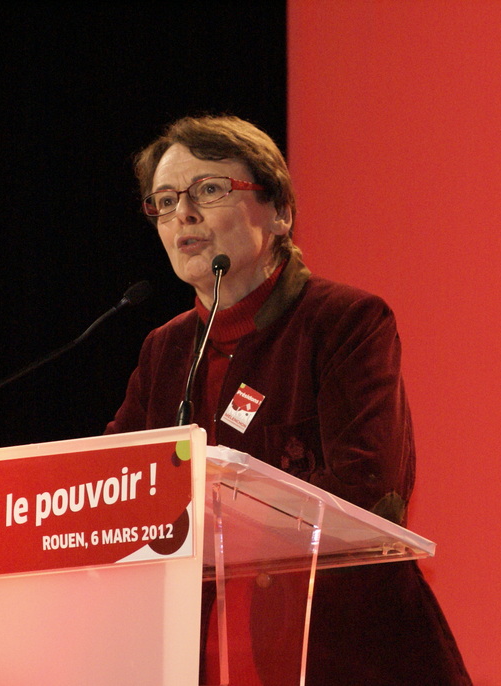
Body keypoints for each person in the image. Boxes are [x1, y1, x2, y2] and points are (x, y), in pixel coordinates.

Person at [106, 115, 470, 685]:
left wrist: (221, 515)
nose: (184, 213)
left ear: (279, 213)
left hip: (339, 655)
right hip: (201, 659)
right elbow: (109, 489)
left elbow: (372, 490)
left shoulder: (343, 323)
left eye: (210, 190)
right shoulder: (165, 350)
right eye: (166, 199)